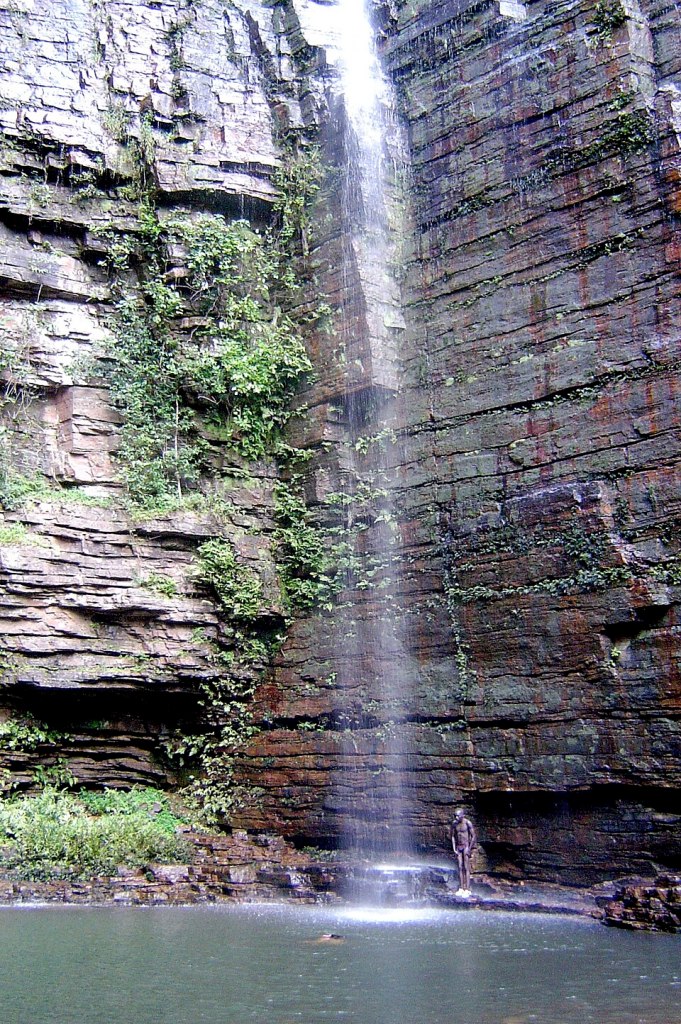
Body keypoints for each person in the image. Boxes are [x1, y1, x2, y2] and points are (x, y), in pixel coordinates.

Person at [450, 807, 476, 894]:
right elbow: (453, 836)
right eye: (455, 816)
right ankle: (461, 888)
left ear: (462, 815)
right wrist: (454, 848)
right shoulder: (454, 824)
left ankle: (467, 889)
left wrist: (470, 848)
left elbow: (473, 836)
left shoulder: (467, 823)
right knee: (460, 867)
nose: (456, 817)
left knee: (466, 867)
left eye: (458, 816)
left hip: (466, 846)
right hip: (458, 846)